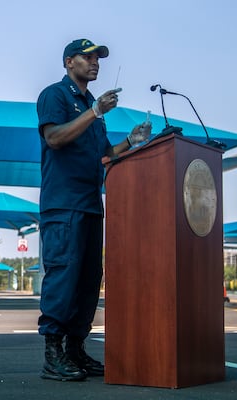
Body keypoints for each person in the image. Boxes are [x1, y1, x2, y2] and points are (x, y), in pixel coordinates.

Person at [35, 38, 150, 381]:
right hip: (63, 204)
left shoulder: (91, 107)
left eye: (97, 58)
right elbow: (54, 138)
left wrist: (132, 140)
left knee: (88, 279)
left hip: (90, 205)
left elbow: (105, 155)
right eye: (87, 57)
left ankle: (75, 350)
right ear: (69, 62)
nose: (95, 62)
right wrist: (95, 112)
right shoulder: (55, 96)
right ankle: (53, 354)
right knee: (64, 275)